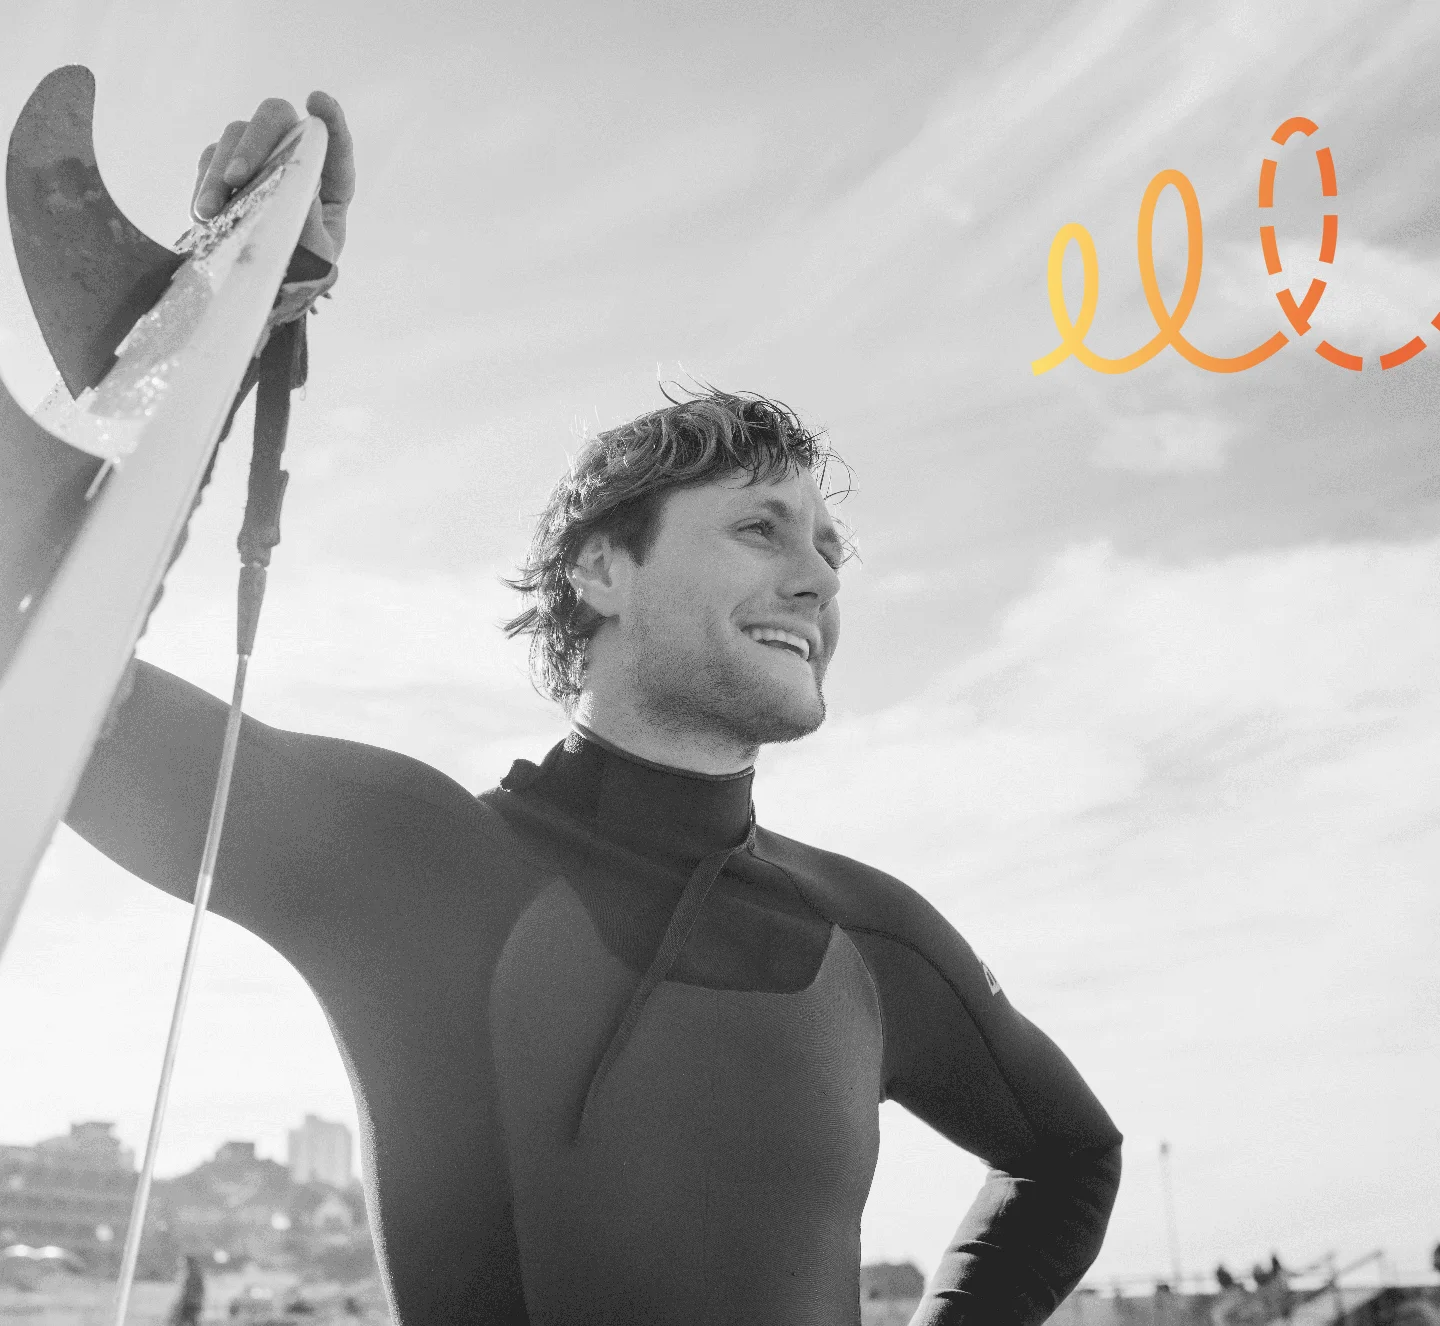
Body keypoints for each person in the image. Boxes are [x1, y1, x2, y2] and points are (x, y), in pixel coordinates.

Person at [66, 94, 1122, 1326]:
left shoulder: (871, 939)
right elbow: (48, 680)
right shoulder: (405, 860)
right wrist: (232, 305)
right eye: (758, 528)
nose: (819, 576)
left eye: (831, 549)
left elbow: (1069, 1159)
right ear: (600, 570)